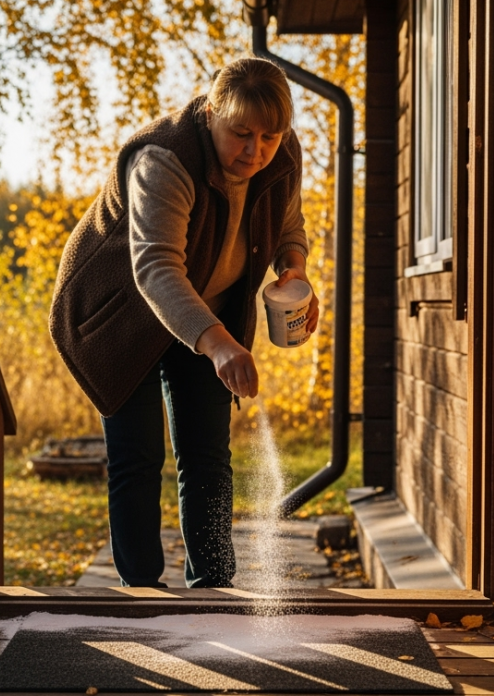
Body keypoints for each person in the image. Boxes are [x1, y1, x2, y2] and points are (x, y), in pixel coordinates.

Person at [49, 57, 319, 588]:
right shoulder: (165, 158)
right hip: (120, 317)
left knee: (207, 457)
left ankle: (214, 590)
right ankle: (142, 595)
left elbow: (289, 221)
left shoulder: (280, 153)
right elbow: (156, 268)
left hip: (203, 312)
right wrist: (220, 346)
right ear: (212, 112)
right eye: (240, 133)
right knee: (138, 457)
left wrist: (294, 267)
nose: (254, 151)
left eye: (268, 137)